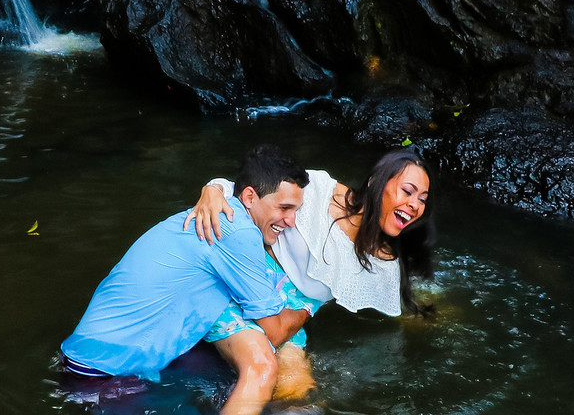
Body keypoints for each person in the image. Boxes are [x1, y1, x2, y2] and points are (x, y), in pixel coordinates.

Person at [60, 145, 313, 415]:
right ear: (250, 196)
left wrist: (213, 188)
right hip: (102, 374)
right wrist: (309, 305)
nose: (291, 221)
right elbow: (274, 331)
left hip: (87, 357)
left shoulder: (223, 214)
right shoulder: (239, 233)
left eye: (296, 210)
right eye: (284, 208)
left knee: (209, 364)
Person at [185, 148, 437, 402]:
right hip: (246, 276)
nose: (415, 205)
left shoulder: (384, 267)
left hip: (289, 316)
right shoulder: (321, 191)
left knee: (299, 397)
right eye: (407, 191)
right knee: (260, 368)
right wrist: (213, 190)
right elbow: (253, 189)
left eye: (423, 199)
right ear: (375, 182)